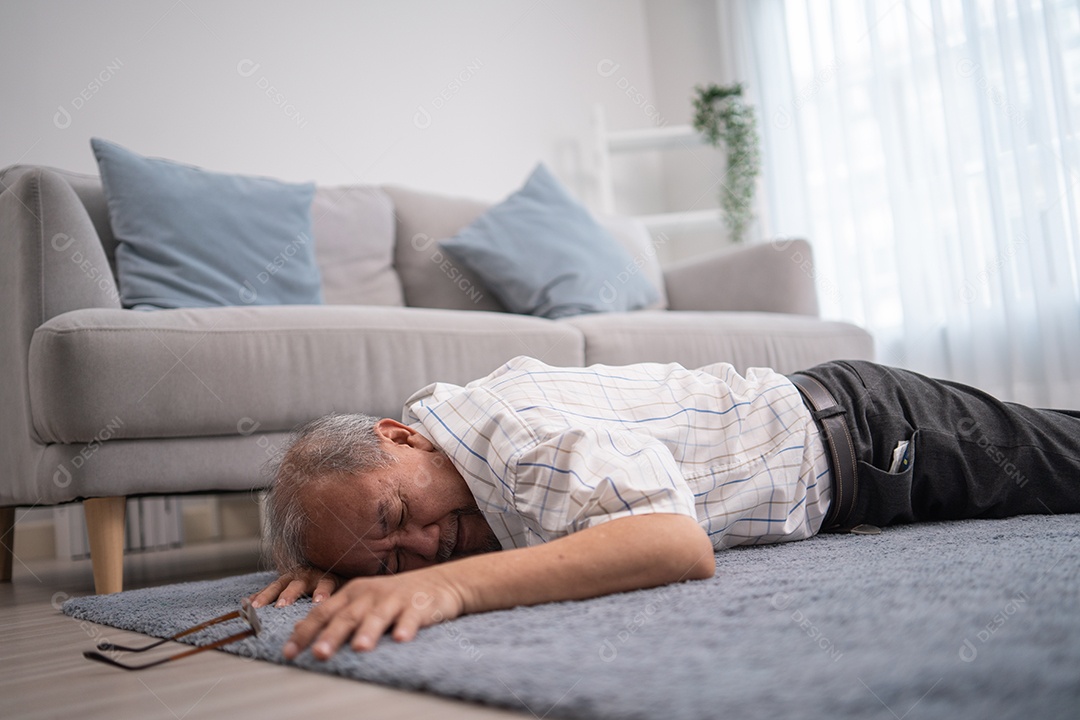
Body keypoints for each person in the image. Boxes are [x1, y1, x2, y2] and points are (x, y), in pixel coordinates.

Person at [249, 356, 1080, 661]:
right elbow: (374, 526)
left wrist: (443, 589)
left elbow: (674, 545)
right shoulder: (441, 463)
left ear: (403, 437)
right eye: (393, 557)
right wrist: (342, 566)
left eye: (394, 518)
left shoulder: (516, 433)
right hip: (859, 476)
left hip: (880, 433)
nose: (426, 546)